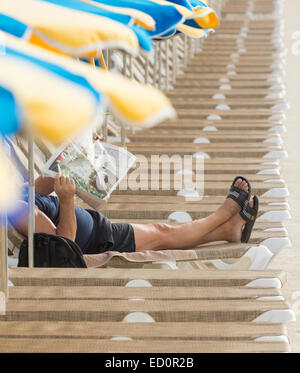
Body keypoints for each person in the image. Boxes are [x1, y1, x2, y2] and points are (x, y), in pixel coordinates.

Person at [12, 174, 259, 254]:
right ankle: (224, 214)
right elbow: (64, 245)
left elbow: (37, 190)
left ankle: (229, 230)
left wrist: (54, 174)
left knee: (163, 235)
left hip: (97, 229)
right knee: (163, 233)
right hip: (98, 243)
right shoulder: (20, 211)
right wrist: (66, 200)